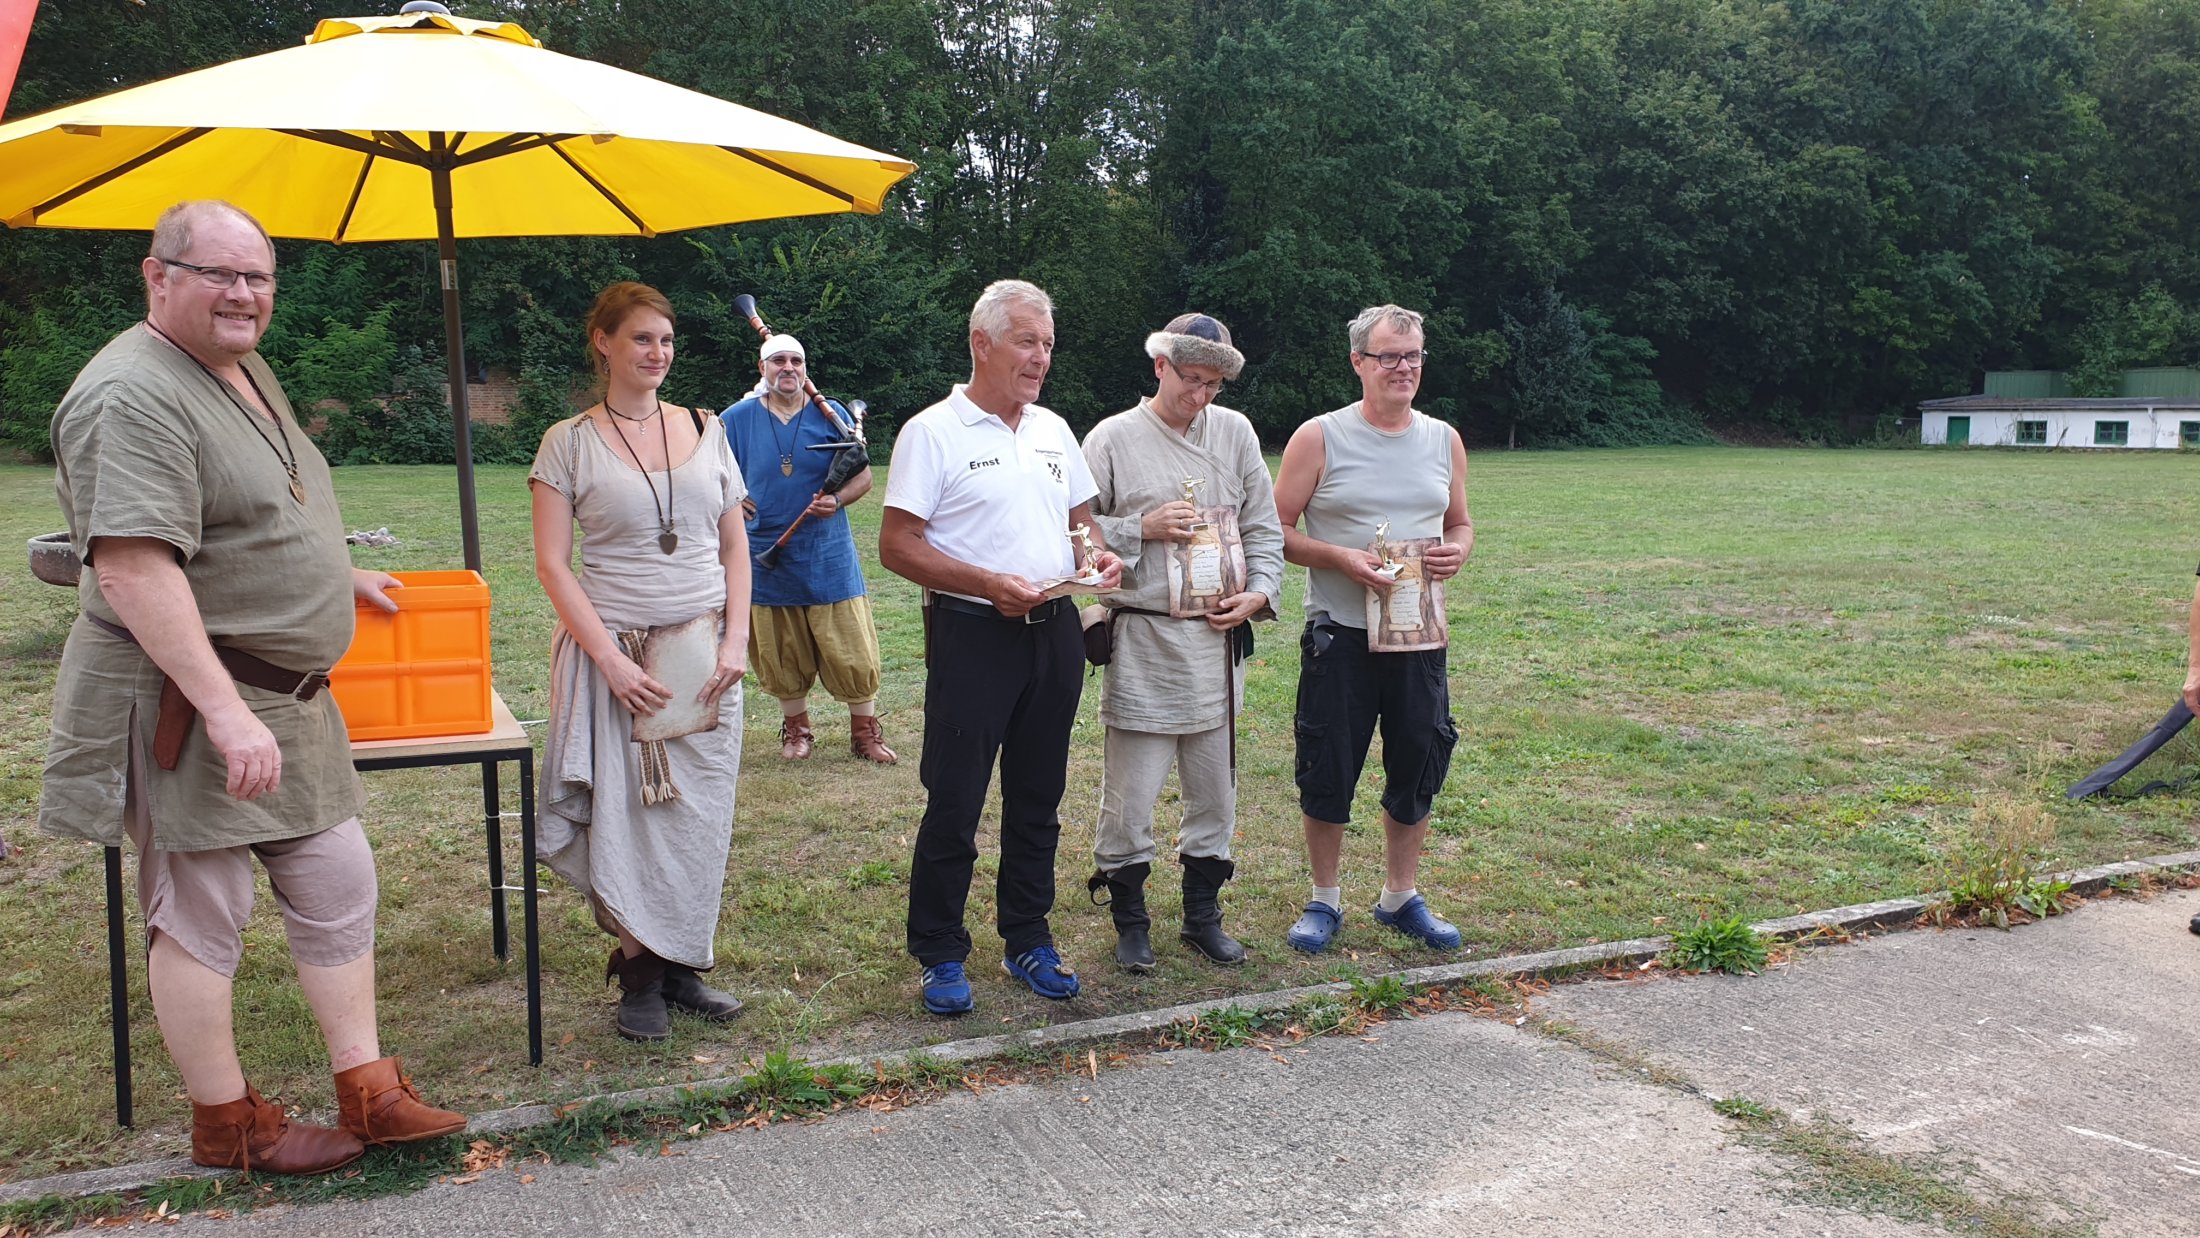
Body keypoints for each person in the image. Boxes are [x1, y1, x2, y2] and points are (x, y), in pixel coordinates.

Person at [41, 200, 464, 1175]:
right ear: (158, 276)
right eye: (219, 274)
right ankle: (228, 1125)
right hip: (191, 700)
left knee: (337, 877)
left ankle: (369, 1090)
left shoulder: (236, 363)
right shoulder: (130, 394)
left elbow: (251, 506)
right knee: (204, 910)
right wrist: (226, 713)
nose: (243, 294)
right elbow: (134, 568)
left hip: (287, 698)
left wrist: (331, 575)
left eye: (258, 276)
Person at [879, 279, 1124, 1015]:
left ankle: (1028, 937)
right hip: (973, 634)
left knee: (1039, 797)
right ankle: (940, 951)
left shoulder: (1053, 429)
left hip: (1053, 632)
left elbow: (1082, 525)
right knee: (955, 799)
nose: (1040, 357)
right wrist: (986, 584)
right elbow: (897, 545)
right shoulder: (932, 432)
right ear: (981, 343)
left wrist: (1098, 559)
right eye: (1026, 341)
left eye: (1047, 343)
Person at [530, 281, 751, 1041]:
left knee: (695, 816)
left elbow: (734, 547)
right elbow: (553, 565)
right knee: (631, 817)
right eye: (641, 339)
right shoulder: (569, 442)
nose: (657, 353)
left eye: (665, 340)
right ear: (604, 342)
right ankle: (641, 976)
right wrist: (610, 663)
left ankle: (682, 960)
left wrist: (735, 641)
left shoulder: (707, 428)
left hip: (704, 658)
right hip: (618, 657)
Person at [1081, 313, 1284, 970]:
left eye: (1212, 385)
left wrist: (1259, 593)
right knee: (1131, 794)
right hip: (1143, 639)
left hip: (1215, 643)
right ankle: (1130, 920)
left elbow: (1263, 527)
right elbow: (1073, 533)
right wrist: (1140, 527)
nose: (1200, 396)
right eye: (1189, 379)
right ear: (1160, 366)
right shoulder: (1111, 438)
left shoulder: (1236, 433)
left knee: (1214, 790)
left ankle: (1203, 916)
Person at [1271, 303, 1473, 954]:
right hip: (1341, 633)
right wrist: (1341, 558)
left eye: (1413, 355)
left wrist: (1459, 550)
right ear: (1358, 362)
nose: (1403, 368)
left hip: (1418, 635)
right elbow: (1274, 530)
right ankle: (1323, 899)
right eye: (1389, 356)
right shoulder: (1319, 437)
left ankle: (1399, 896)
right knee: (1328, 763)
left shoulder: (1443, 439)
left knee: (1418, 758)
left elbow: (1460, 522)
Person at [720, 333, 896, 764]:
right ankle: (797, 730)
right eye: (778, 360)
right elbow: (712, 475)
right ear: (762, 368)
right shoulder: (736, 419)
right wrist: (732, 500)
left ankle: (865, 732)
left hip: (827, 552)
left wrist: (837, 500)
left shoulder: (830, 414)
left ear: (805, 368)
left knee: (851, 648)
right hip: (765, 551)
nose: (788, 368)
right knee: (782, 650)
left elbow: (863, 476)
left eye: (796, 361)